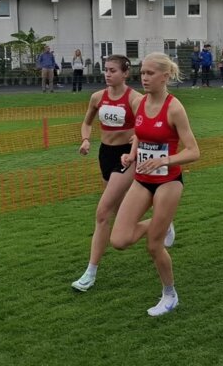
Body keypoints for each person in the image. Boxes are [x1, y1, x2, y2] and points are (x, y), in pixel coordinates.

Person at [71, 55, 172, 292]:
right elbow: (86, 123)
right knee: (117, 209)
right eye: (106, 70)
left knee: (103, 212)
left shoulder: (136, 99)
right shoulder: (97, 97)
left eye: (113, 70)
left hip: (126, 156)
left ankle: (90, 272)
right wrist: (85, 139)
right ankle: (162, 222)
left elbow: (145, 125)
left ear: (125, 73)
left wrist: (136, 141)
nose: (108, 74)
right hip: (105, 154)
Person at [110, 52, 200, 316]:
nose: (144, 78)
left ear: (165, 76)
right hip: (142, 178)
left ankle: (170, 295)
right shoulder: (139, 103)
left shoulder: (174, 108)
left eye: (150, 73)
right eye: (142, 73)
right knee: (119, 240)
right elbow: (140, 132)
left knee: (153, 245)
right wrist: (133, 153)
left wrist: (165, 159)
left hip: (169, 181)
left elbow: (194, 151)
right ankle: (162, 222)